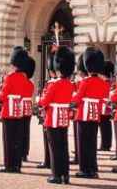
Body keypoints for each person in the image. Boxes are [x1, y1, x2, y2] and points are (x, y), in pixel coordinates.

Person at [39, 46, 76, 185]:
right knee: (63, 147)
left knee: (54, 148)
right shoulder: (70, 84)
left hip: (53, 118)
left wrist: (39, 101)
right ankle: (65, 176)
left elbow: (45, 101)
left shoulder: (54, 85)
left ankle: (56, 175)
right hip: (63, 118)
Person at [0, 46, 32, 173]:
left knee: (8, 140)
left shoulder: (10, 77)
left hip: (8, 111)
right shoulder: (24, 78)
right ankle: (17, 165)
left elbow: (3, 95)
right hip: (19, 111)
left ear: (14, 64)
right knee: (17, 139)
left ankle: (8, 165)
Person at [73, 47, 106, 179]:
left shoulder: (85, 82)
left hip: (84, 114)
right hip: (95, 115)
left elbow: (77, 98)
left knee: (83, 143)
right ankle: (93, 168)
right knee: (92, 143)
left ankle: (85, 169)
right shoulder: (102, 82)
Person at [37, 54, 57, 170]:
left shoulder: (51, 84)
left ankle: (48, 161)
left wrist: (39, 101)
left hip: (49, 114)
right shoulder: (67, 83)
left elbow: (45, 100)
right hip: (60, 117)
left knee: (49, 139)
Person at [21, 55, 36, 163]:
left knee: (19, 131)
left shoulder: (21, 81)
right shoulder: (31, 83)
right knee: (26, 131)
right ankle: (25, 153)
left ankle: (21, 152)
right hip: (28, 107)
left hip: (20, 107)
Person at [99, 60, 114, 152]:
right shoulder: (111, 82)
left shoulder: (103, 82)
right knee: (107, 126)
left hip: (104, 106)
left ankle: (105, 145)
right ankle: (106, 144)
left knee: (104, 127)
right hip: (108, 107)